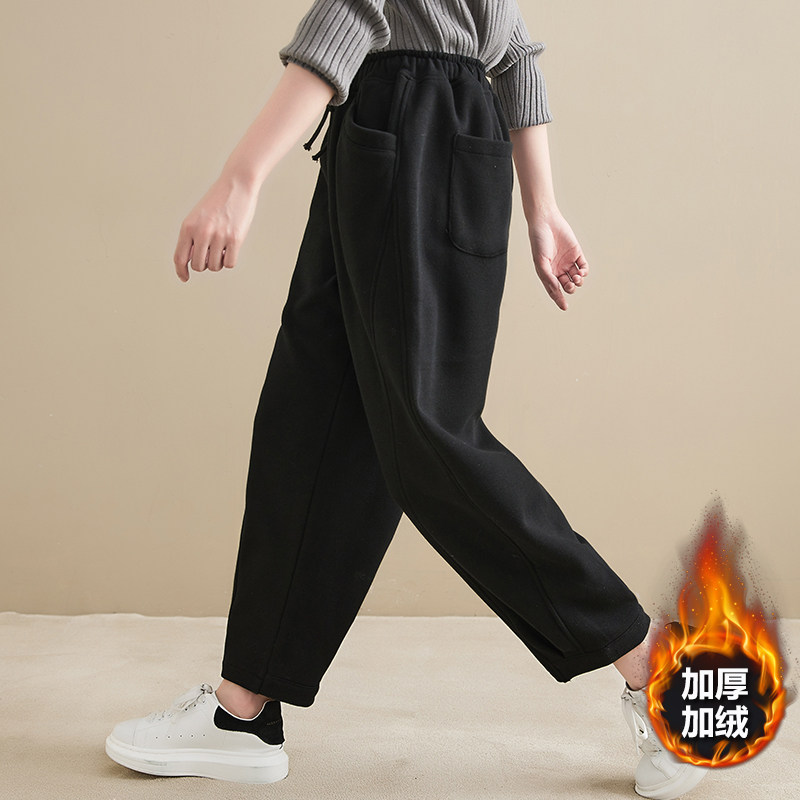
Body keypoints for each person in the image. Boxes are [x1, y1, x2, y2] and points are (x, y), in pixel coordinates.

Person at [105, 2, 708, 798]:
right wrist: (542, 207)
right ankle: (242, 711)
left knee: (429, 437)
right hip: (404, 132)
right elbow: (513, 51)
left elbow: (353, 17)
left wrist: (239, 179)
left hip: (409, 131)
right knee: (311, 420)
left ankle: (658, 667)